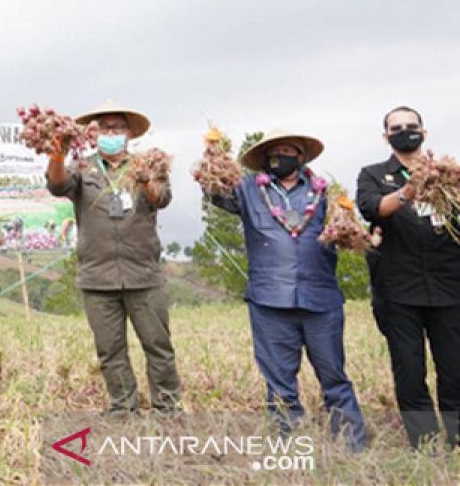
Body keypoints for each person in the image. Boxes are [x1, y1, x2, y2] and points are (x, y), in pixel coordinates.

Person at [207, 129, 367, 450]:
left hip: (320, 299)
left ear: (301, 156)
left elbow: (348, 232)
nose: (281, 155)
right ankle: (288, 444)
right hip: (269, 300)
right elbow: (214, 192)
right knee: (279, 382)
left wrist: (352, 231)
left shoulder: (327, 192)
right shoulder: (248, 190)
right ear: (266, 158)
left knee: (334, 375)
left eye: (288, 150)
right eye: (274, 151)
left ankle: (351, 444)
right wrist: (213, 156)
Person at [45, 100, 180, 414]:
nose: (111, 132)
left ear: (129, 133)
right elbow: (57, 185)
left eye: (117, 127)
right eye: (104, 127)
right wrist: (57, 151)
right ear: (93, 133)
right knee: (110, 349)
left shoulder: (149, 165)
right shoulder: (82, 167)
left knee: (158, 346)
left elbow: (161, 199)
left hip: (143, 274)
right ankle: (123, 407)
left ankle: (168, 407)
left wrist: (145, 176)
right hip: (97, 276)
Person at [356, 106, 460, 450]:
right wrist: (408, 191)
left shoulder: (449, 174)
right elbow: (373, 209)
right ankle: (425, 441)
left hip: (449, 286)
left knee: (455, 367)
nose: (405, 131)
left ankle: (457, 439)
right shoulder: (373, 175)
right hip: (398, 290)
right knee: (409, 368)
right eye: (396, 128)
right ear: (386, 137)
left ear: (424, 132)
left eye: (411, 126)